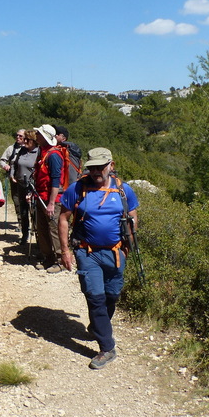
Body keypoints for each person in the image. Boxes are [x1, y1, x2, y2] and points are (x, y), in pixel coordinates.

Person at [58, 147, 139, 369]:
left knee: (111, 295)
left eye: (100, 167)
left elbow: (132, 218)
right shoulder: (78, 189)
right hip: (86, 252)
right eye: (92, 167)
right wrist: (65, 251)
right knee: (95, 297)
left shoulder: (124, 191)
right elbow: (63, 218)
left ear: (111, 166)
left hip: (115, 252)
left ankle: (97, 326)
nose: (96, 172)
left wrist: (127, 248)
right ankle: (107, 347)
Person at [32, 124, 67, 273]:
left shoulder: (53, 155)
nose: (36, 136)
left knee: (54, 229)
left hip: (52, 199)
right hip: (40, 197)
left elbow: (55, 180)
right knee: (42, 229)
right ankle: (48, 258)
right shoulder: (43, 152)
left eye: (39, 134)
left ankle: (60, 261)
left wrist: (52, 203)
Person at [11, 129, 40, 245]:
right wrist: (13, 174)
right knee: (23, 211)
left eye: (27, 139)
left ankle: (38, 237)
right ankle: (24, 235)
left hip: (32, 186)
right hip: (21, 184)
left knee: (34, 212)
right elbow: (15, 163)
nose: (24, 141)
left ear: (33, 141)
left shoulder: (39, 153)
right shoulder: (22, 151)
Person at [0, 129, 25, 228]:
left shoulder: (30, 148)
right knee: (16, 200)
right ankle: (20, 222)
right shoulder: (11, 149)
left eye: (20, 136)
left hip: (27, 179)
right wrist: (5, 166)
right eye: (17, 135)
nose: (18, 137)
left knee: (27, 201)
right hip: (14, 178)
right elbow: (2, 160)